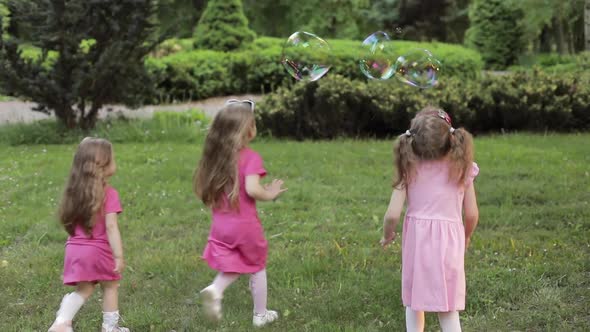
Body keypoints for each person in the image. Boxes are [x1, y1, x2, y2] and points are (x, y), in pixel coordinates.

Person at [380, 108, 480, 332]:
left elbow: (392, 214)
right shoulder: (462, 168)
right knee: (447, 307)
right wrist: (467, 236)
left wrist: (388, 235)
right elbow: (472, 214)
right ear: (449, 139)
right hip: (450, 242)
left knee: (415, 302)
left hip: (418, 242)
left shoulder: (408, 168)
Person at [193, 99, 287, 327]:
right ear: (248, 130)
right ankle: (260, 315)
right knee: (257, 266)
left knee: (235, 263)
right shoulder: (251, 157)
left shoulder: (216, 158)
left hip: (220, 227)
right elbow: (252, 189)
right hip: (245, 227)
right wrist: (271, 193)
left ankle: (215, 289)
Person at [48, 138, 129, 332]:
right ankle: (111, 329)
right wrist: (118, 255)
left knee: (84, 289)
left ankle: (61, 322)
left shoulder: (73, 193)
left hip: (74, 250)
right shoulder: (109, 193)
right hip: (98, 251)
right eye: (112, 159)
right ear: (102, 167)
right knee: (110, 286)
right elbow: (111, 227)